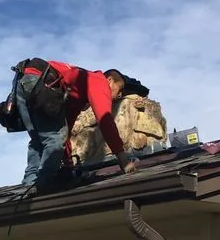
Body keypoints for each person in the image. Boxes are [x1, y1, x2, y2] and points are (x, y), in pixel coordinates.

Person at [12, 59, 138, 193]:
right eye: (119, 90)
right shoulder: (98, 81)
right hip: (39, 80)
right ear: (110, 80)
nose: (119, 96)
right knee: (54, 140)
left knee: (39, 139)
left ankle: (29, 184)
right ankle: (44, 183)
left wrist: (68, 165)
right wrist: (123, 159)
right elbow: (105, 120)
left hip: (24, 83)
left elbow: (65, 131)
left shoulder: (76, 91)